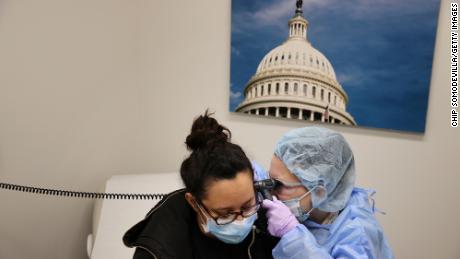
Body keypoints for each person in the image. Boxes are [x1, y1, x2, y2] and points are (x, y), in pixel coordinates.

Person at [123, 111, 278, 259]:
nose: (241, 221)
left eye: (247, 206)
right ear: (194, 202)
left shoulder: (266, 221)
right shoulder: (160, 248)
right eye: (225, 214)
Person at [256, 126, 394, 258]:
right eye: (270, 179)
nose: (271, 192)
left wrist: (293, 236)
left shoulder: (358, 234)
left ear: (319, 192)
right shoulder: (313, 209)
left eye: (278, 185)